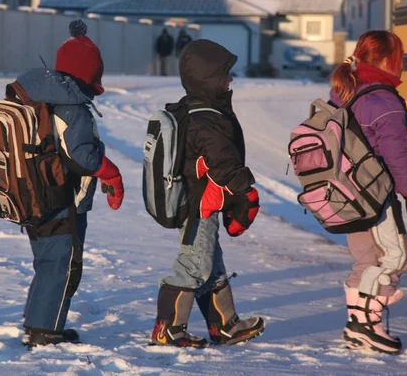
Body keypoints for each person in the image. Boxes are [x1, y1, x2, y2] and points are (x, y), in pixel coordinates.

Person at [150, 39, 264, 348]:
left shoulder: (197, 109)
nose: (230, 80)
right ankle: (168, 328)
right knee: (194, 265)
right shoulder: (207, 119)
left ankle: (225, 325)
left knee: (211, 265)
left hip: (202, 203)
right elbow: (224, 165)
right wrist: (246, 196)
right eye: (225, 74)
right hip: (198, 206)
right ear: (209, 77)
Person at [17, 19, 125, 347]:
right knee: (62, 266)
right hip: (62, 199)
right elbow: (82, 158)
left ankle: (39, 323)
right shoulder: (72, 106)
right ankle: (45, 331)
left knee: (48, 262)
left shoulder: (40, 96)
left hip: (33, 192)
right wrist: (112, 172)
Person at [329, 30, 407, 355]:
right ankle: (365, 325)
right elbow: (398, 156)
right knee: (395, 257)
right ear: (387, 60)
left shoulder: (342, 91)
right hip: (375, 197)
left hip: (343, 195)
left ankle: (359, 328)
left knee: (367, 259)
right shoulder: (383, 100)